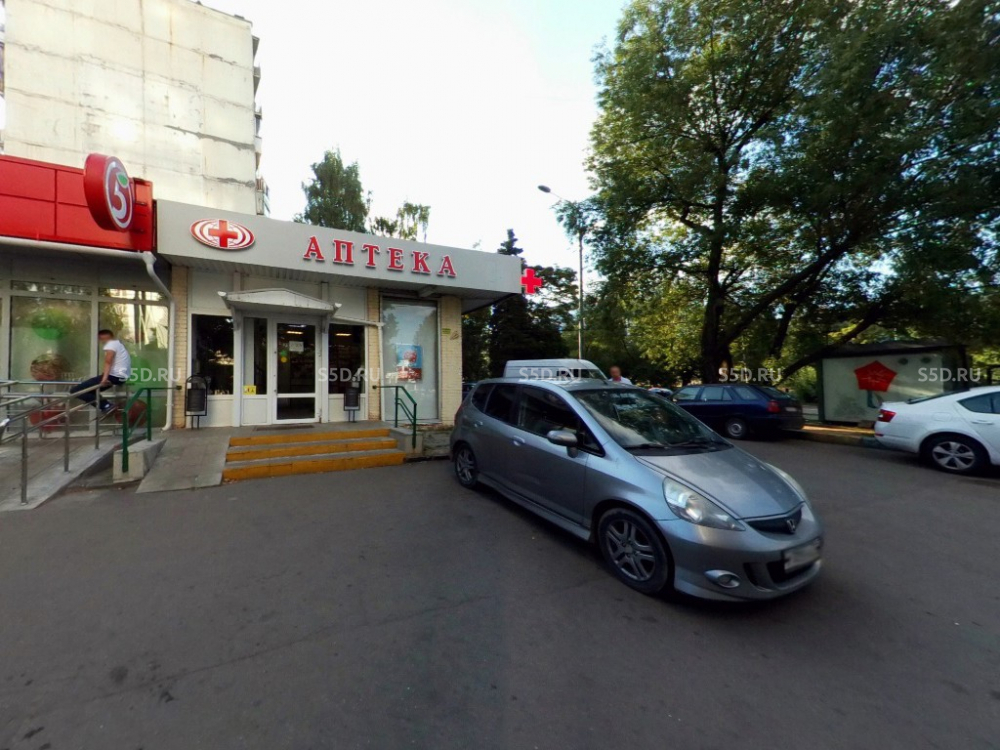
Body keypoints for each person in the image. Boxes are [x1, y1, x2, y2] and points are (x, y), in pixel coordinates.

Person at [70, 329, 131, 414]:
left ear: (101, 338)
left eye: (101, 339)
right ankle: (106, 405)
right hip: (121, 377)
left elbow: (108, 361)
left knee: (75, 390)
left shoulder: (111, 344)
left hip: (114, 376)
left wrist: (104, 378)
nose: (102, 342)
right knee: (90, 391)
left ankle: (106, 405)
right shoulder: (119, 344)